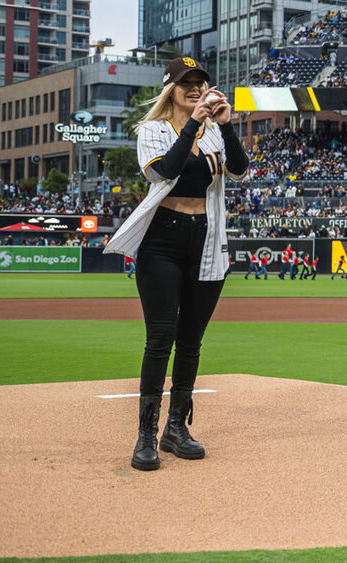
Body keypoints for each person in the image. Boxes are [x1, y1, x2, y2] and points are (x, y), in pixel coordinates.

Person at [103, 57, 248, 471]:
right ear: (170, 88)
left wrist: (225, 123)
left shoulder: (216, 132)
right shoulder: (150, 130)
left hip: (206, 236)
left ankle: (175, 429)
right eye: (186, 83)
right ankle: (145, 435)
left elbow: (238, 170)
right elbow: (164, 171)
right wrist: (192, 125)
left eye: (200, 82)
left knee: (191, 341)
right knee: (160, 338)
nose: (195, 88)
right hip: (161, 240)